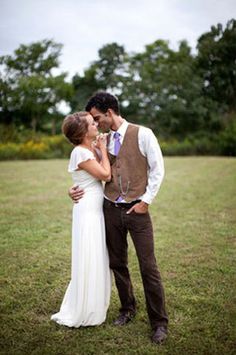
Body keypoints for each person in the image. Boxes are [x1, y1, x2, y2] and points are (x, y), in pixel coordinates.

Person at [69, 92, 168, 344]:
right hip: (109, 209)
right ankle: (127, 309)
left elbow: (158, 170)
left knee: (148, 266)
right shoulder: (98, 140)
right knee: (117, 263)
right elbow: (86, 170)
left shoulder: (143, 134)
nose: (95, 122)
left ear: (110, 112)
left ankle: (159, 322)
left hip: (137, 210)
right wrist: (71, 189)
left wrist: (146, 202)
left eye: (96, 117)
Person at [51, 111, 111, 327]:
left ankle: (92, 301)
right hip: (88, 211)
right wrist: (103, 149)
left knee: (94, 253)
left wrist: (100, 148)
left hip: (94, 209)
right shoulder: (80, 152)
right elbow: (105, 175)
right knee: (89, 253)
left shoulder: (88, 148)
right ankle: (85, 306)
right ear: (83, 132)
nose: (95, 124)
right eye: (91, 123)